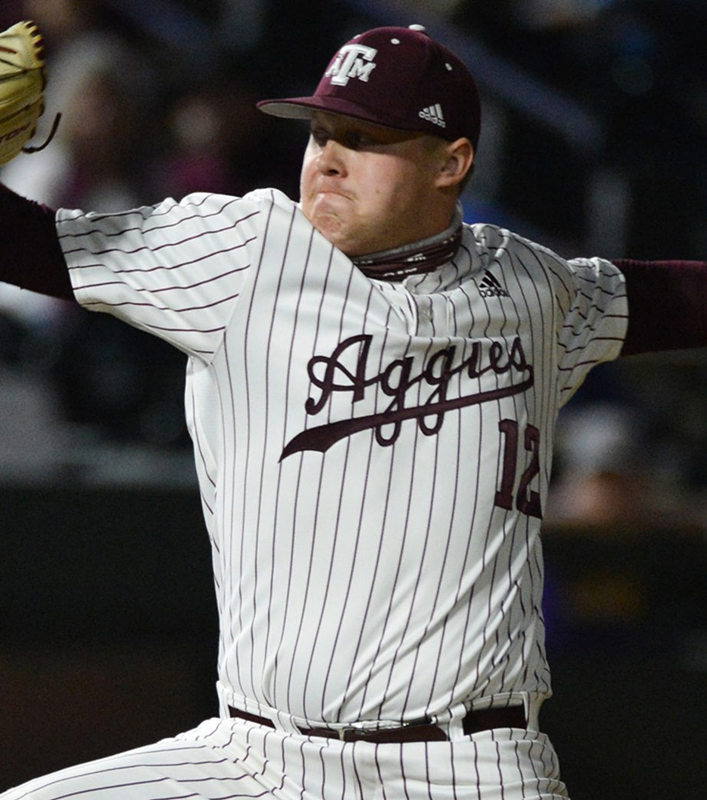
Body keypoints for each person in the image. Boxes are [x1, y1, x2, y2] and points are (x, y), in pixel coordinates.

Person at [0, 22, 705, 800]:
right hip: (253, 756)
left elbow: (673, 300)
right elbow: (32, 247)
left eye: (365, 139)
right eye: (321, 133)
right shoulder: (243, 252)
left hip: (465, 768)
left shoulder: (531, 290)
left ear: (451, 163)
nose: (326, 160)